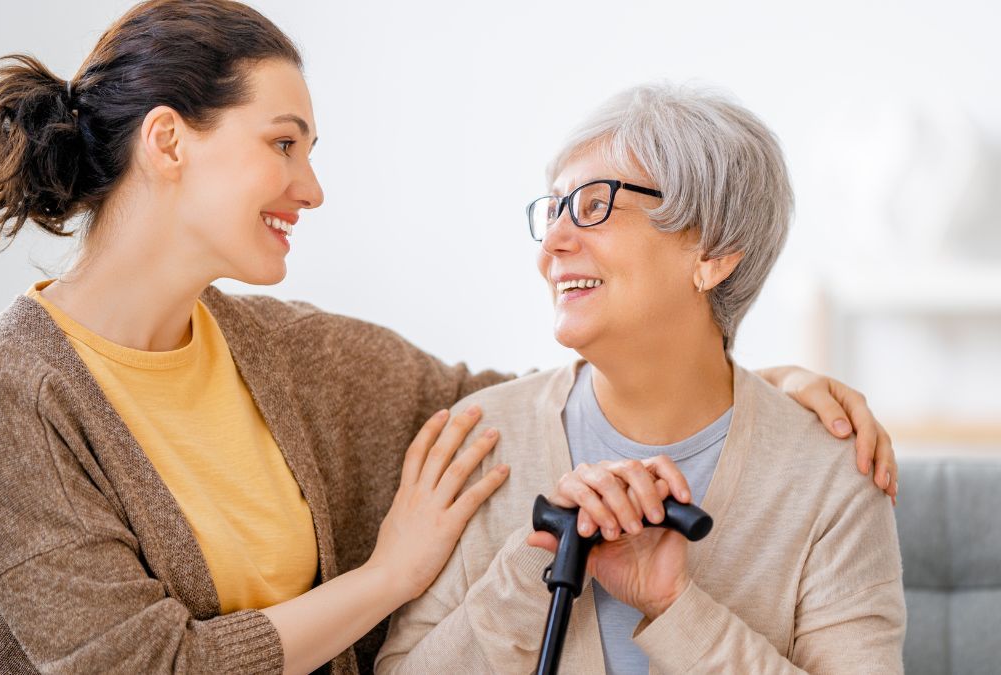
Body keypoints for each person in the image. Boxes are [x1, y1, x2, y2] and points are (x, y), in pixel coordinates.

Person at [0, 2, 896, 673]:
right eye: (285, 144)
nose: (311, 187)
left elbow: (533, 401)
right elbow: (141, 668)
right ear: (168, 142)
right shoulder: (2, 396)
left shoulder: (289, 353)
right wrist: (390, 575)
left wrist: (755, 381)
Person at [377, 84, 905, 674]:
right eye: (554, 210)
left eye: (593, 205)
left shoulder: (832, 473)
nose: (553, 242)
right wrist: (533, 567)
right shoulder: (481, 441)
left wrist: (675, 607)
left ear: (713, 251)